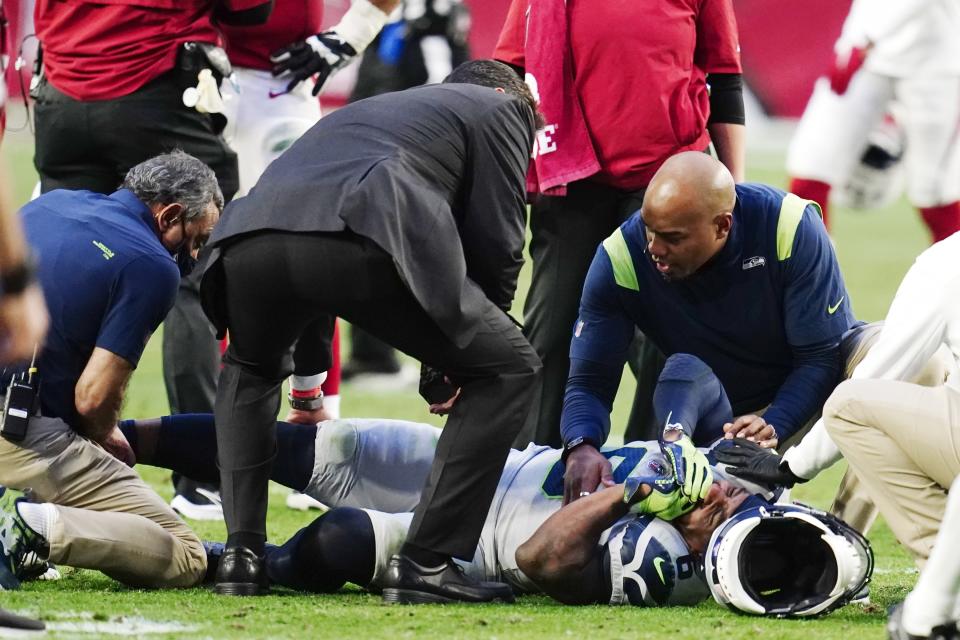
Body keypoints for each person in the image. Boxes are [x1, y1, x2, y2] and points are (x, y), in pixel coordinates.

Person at [199, 60, 542, 601]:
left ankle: (242, 558)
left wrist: (309, 387)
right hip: (362, 228)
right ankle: (427, 561)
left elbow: (308, 234)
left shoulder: (380, 110)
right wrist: (458, 359)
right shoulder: (505, 108)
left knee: (248, 368)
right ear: (510, 94)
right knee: (510, 367)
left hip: (247, 235)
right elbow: (497, 247)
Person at [29, 0, 272, 521]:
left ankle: (40, 454)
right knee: (190, 278)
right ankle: (200, 480)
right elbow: (253, 12)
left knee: (54, 264)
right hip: (153, 82)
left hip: (59, 93)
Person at [493, 0, 746, 448]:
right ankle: (535, 473)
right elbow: (510, 74)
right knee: (552, 332)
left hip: (670, 179)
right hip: (570, 177)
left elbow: (724, 79)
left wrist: (733, 188)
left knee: (670, 338)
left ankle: (656, 472)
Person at [560, 152, 861, 503]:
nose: (654, 248)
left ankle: (848, 531)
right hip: (729, 421)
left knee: (908, 362)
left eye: (672, 237)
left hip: (815, 389)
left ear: (722, 226)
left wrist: (776, 423)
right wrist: (580, 443)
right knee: (714, 518)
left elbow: (821, 356)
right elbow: (589, 379)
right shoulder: (620, 257)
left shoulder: (787, 225)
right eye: (649, 229)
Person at [0, 151, 223, 590]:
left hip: (16, 403)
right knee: (187, 553)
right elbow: (93, 397)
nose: (194, 256)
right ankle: (37, 527)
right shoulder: (152, 265)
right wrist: (104, 433)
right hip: (18, 427)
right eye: (196, 241)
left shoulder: (51, 201)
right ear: (170, 215)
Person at [786, 0, 960, 241]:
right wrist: (853, 39)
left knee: (935, 194)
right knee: (810, 172)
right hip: (869, 56)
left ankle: (951, 276)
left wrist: (866, 38)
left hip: (935, 64)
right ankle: (817, 276)